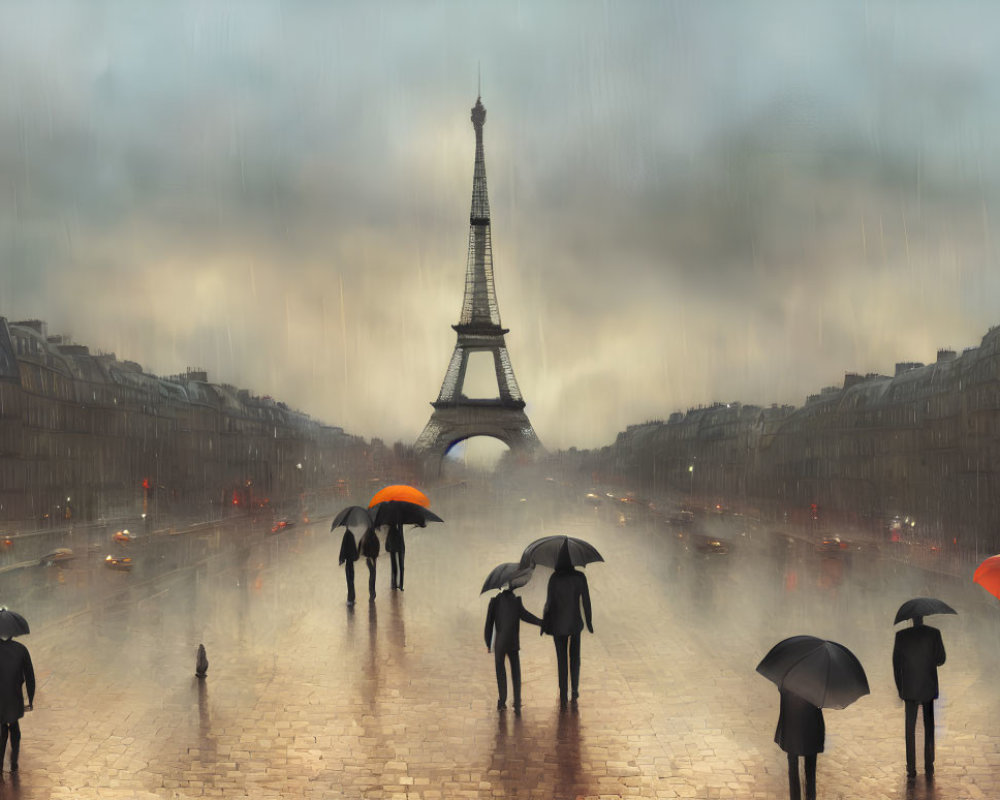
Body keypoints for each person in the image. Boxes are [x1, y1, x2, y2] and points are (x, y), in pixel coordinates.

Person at [893, 615, 946, 779]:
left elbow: (896, 665)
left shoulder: (901, 636)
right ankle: (929, 764)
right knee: (929, 726)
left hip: (909, 687)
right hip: (928, 686)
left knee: (910, 729)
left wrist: (900, 688)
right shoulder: (934, 633)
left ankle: (911, 767)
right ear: (923, 618)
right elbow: (941, 659)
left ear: (911, 619)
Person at [542, 544, 593, 709]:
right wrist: (589, 622)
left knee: (561, 660)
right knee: (575, 658)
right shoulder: (580, 577)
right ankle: (575, 690)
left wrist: (544, 623)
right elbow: (586, 601)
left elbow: (548, 604)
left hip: (557, 624)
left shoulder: (554, 578)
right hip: (575, 623)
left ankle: (563, 692)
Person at [484, 584, 542, 714]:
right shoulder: (516, 601)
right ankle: (516, 701)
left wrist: (488, 643)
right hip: (513, 642)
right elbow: (526, 616)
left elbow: (488, 624)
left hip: (500, 643)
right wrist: (541, 622)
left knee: (501, 672)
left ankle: (502, 701)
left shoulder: (494, 602)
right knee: (516, 672)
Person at [774, 688, 823, 800]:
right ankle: (810, 797)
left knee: (793, 765)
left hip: (792, 721)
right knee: (810, 769)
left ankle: (796, 797)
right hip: (811, 723)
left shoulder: (787, 674)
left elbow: (781, 690)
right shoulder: (816, 677)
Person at [0, 635, 35, 772]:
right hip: (15, 697)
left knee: (2, 727)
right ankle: (14, 761)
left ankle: (1, 763)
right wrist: (30, 698)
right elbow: (29, 676)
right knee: (14, 725)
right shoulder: (21, 649)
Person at [358, 527, 380, 601]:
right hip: (373, 558)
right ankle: (372, 592)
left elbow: (362, 548)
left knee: (372, 575)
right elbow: (377, 546)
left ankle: (372, 593)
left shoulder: (365, 536)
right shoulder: (373, 537)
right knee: (373, 575)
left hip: (369, 558)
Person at [339, 529, 360, 606]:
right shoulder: (352, 534)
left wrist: (341, 559)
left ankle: (350, 598)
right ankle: (352, 597)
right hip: (351, 561)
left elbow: (343, 547)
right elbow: (354, 548)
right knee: (352, 579)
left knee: (349, 580)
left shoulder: (347, 535)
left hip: (348, 561)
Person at [385, 523, 405, 591]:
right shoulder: (397, 527)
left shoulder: (393, 527)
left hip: (394, 547)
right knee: (399, 567)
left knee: (396, 567)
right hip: (397, 547)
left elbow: (388, 541)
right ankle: (397, 584)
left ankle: (396, 584)